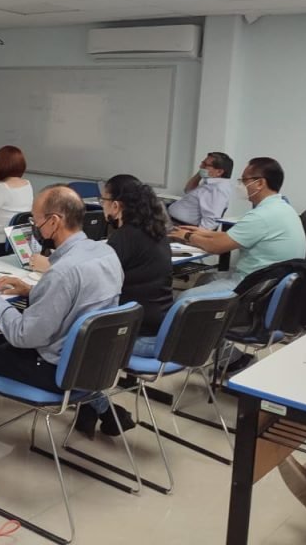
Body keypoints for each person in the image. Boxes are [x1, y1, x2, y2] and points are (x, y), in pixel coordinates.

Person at [0, 185, 123, 430]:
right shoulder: (105, 254)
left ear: (54, 221)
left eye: (36, 219)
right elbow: (78, 300)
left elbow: (22, 336)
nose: (34, 225)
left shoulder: (62, 272)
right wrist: (32, 290)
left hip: (54, 370)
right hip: (89, 363)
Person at [76, 174, 173, 437]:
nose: (102, 204)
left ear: (116, 205)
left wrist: (51, 268)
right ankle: (89, 414)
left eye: (103, 199)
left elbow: (93, 282)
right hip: (161, 328)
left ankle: (108, 411)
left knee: (71, 344)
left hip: (139, 336)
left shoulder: (125, 237)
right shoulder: (156, 233)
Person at [171, 156, 305, 295]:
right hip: (271, 280)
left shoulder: (262, 215)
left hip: (253, 285)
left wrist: (187, 235)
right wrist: (201, 232)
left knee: (184, 298)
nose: (240, 185)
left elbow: (217, 246)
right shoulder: (282, 207)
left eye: (244, 180)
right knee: (206, 278)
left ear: (260, 183)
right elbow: (233, 237)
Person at [168, 152, 234, 229]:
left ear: (219, 172)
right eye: (202, 163)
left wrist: (192, 237)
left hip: (181, 227)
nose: (200, 166)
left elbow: (210, 222)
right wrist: (201, 172)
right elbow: (188, 190)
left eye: (205, 165)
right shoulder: (210, 182)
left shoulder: (217, 189)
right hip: (173, 221)